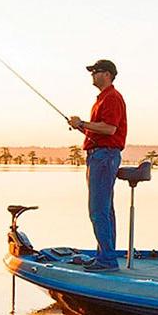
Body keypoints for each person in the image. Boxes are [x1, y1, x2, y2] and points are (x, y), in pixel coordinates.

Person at [68, 59, 127, 271]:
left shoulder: (112, 97)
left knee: (98, 209)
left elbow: (110, 129)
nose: (92, 74)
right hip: (100, 155)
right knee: (105, 209)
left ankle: (107, 260)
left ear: (107, 75)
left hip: (104, 157)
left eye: (96, 71)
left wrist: (83, 123)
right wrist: (81, 127)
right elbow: (101, 131)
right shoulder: (102, 99)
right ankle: (105, 255)